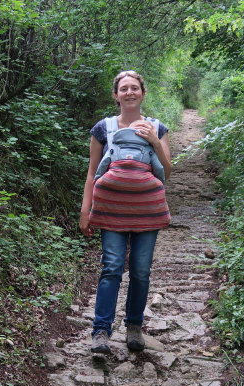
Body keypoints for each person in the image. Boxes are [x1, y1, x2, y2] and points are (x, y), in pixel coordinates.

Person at [79, 70, 172, 354]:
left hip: (147, 210)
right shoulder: (103, 128)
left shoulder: (157, 127)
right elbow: (92, 171)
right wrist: (86, 210)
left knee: (141, 271)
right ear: (116, 95)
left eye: (134, 88)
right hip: (110, 209)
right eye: (124, 88)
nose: (129, 92)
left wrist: (154, 141)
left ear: (142, 93)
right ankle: (101, 332)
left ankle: (134, 326)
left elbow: (167, 171)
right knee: (111, 268)